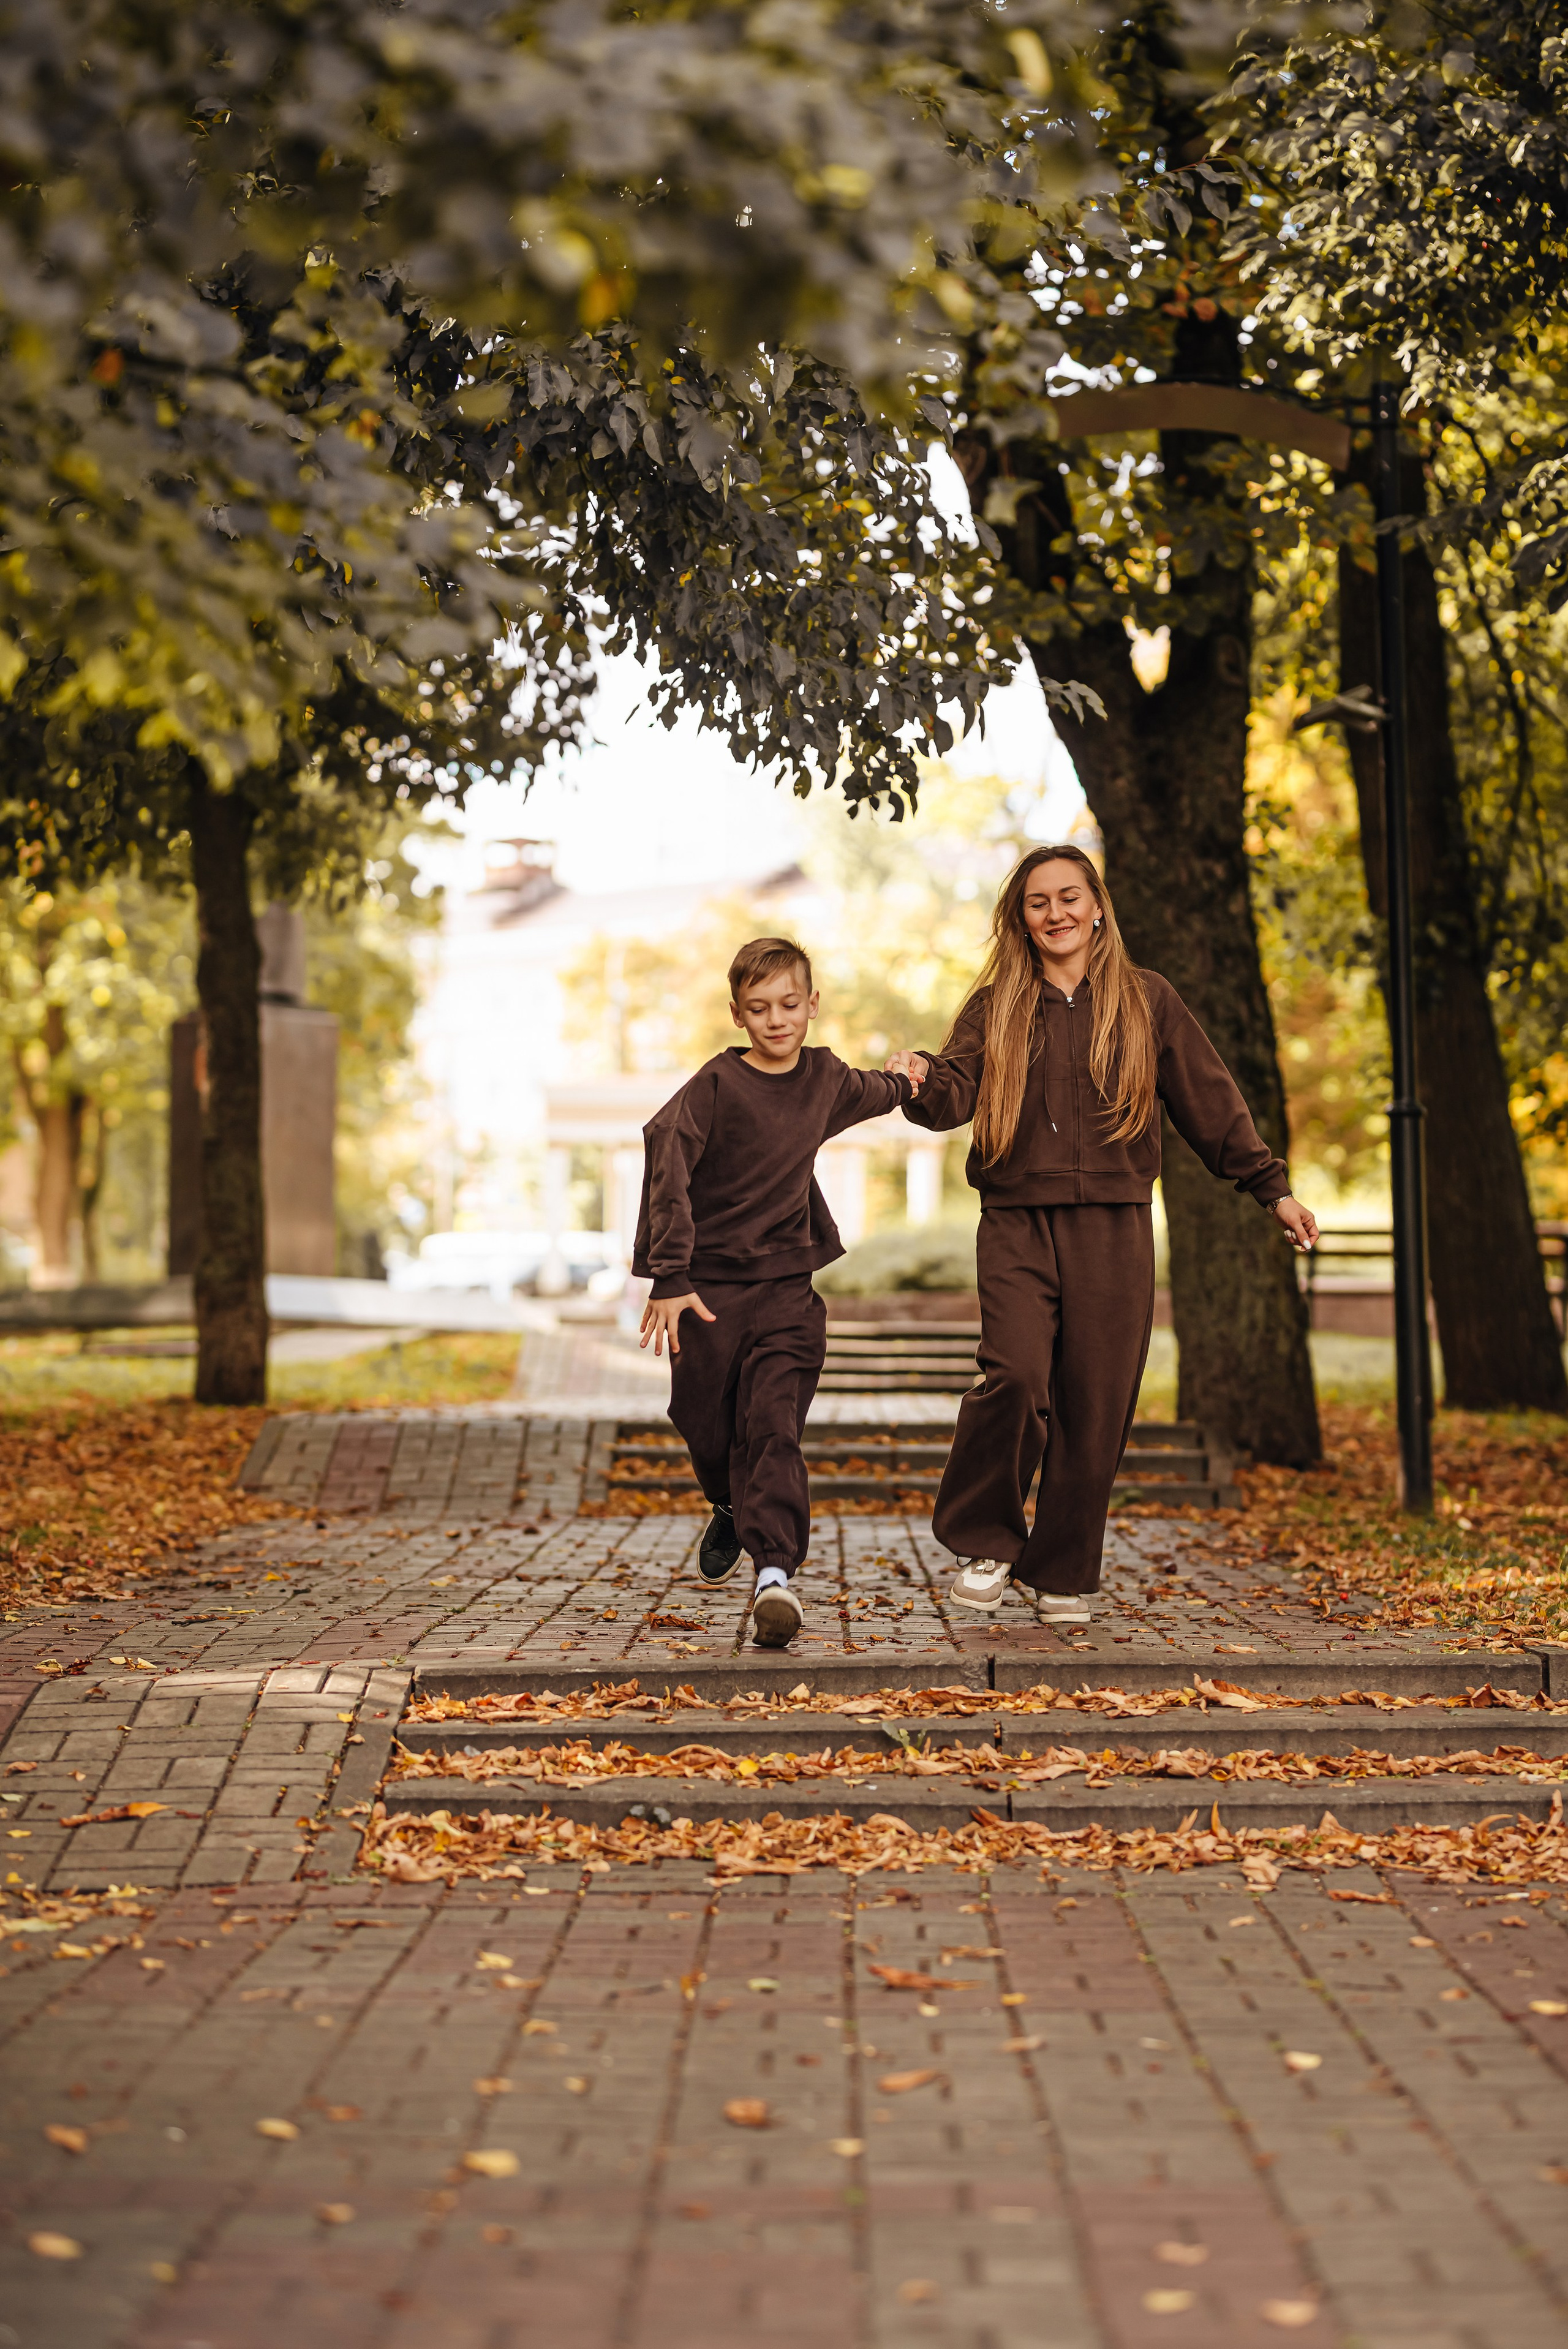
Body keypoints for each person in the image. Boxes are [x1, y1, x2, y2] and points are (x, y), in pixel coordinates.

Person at [884, 845, 1316, 1627]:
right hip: (1016, 1221)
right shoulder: (996, 1005)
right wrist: (919, 1078)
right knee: (1014, 1375)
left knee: (1097, 1404)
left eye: (1068, 897)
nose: (1054, 913)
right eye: (1037, 901)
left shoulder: (1147, 1000)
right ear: (1021, 918)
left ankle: (1062, 1570)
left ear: (1097, 907)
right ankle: (987, 1539)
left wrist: (1271, 1188)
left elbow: (1209, 1103)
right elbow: (952, 1094)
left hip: (1115, 1226)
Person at [633, 936, 918, 1648]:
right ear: (737, 1014)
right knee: (701, 1420)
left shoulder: (824, 1079)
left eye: (790, 1004)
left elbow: (877, 1091)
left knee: (773, 1424)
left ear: (812, 1005)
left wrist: (913, 1078)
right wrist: (669, 1274)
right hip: (708, 1294)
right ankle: (726, 1503)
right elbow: (664, 1150)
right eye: (758, 1008)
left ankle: (774, 1575)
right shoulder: (715, 1086)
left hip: (789, 1290)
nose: (776, 1018)